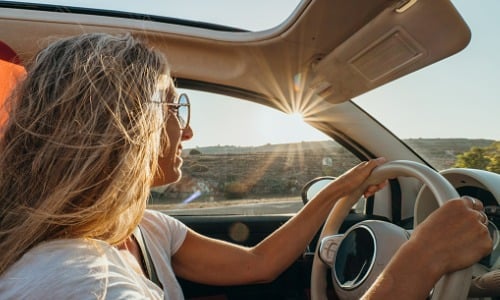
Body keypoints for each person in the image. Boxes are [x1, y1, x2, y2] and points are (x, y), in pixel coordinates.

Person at [0, 33, 492, 300]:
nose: (188, 132)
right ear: (123, 127)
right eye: (176, 109)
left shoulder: (145, 227)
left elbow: (258, 265)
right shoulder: (81, 283)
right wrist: (421, 259)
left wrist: (334, 193)